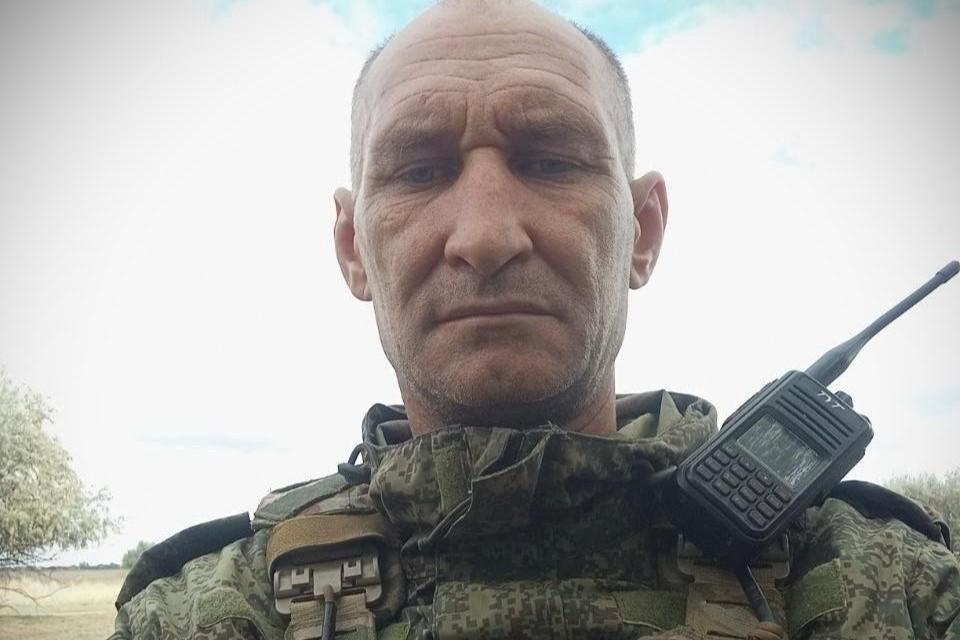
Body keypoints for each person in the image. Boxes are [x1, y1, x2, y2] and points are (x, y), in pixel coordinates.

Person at [109, 1, 960, 638]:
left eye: (552, 161)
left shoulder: (895, 587)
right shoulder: (206, 614)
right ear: (352, 248)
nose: (485, 236)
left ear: (643, 232)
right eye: (418, 171)